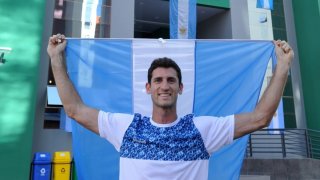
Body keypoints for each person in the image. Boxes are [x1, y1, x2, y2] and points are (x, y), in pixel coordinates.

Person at [47, 34, 294, 180]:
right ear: (148, 87)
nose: (164, 86)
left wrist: (282, 67)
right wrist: (56, 59)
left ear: (180, 88)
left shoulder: (202, 129)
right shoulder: (127, 127)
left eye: (171, 80)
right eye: (158, 80)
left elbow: (260, 118)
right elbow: (74, 110)